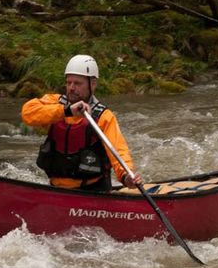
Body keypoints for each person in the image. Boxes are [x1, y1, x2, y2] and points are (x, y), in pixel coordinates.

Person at [21, 54, 144, 191]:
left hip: (94, 190)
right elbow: (27, 113)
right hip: (55, 188)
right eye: (69, 83)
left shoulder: (103, 116)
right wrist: (67, 111)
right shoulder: (56, 103)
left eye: (77, 83)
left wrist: (126, 176)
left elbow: (119, 151)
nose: (71, 88)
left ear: (92, 84)